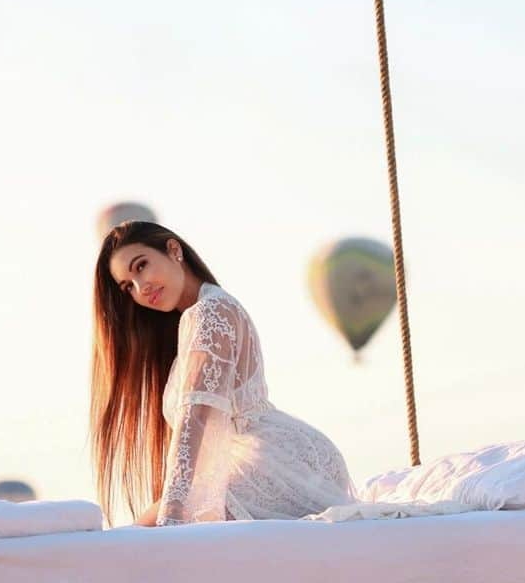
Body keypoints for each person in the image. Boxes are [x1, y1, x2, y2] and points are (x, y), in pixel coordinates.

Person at [91, 220, 356, 527]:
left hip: (281, 463)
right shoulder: (198, 316)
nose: (140, 287)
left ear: (173, 249)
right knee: (134, 535)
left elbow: (197, 416)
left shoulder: (210, 311)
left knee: (137, 538)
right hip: (262, 462)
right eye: (128, 286)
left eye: (141, 267)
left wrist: (173, 513)